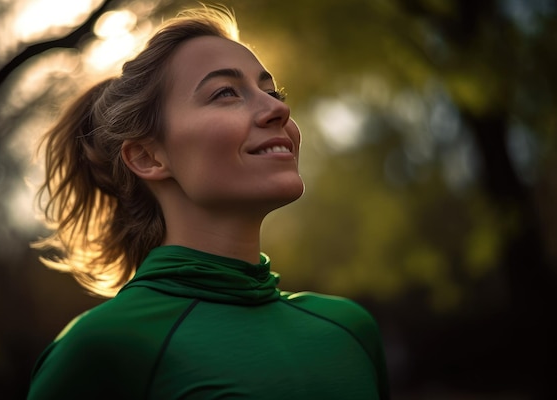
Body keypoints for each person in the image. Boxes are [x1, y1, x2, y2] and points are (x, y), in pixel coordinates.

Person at [27, 4, 389, 399]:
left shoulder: (351, 331)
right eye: (225, 93)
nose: (278, 109)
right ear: (148, 157)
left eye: (272, 91)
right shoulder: (102, 347)